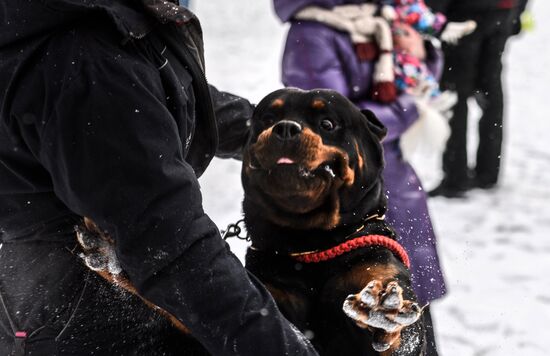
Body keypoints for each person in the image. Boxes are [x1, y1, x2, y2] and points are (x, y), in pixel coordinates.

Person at [0, 1, 319, 355]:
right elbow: (174, 246)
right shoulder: (88, 59)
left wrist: (265, 134)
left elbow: (168, 98)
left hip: (60, 296)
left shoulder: (114, 24)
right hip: (84, 316)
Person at [273, 1, 447, 354]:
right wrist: (410, 106)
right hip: (347, 211)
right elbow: (336, 128)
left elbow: (418, 76)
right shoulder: (313, 33)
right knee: (364, 329)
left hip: (394, 189)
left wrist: (422, 51)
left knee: (413, 324)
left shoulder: (378, 16)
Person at [427, 0, 530, 198]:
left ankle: (456, 177)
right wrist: (517, 12)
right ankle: (488, 171)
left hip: (464, 15)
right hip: (503, 12)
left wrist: (434, 19)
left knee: (455, 94)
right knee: (490, 91)